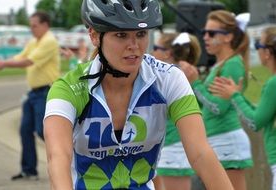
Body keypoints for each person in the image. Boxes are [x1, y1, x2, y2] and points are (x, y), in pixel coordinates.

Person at [43, 1, 234, 189]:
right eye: (121, 35)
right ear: (94, 35)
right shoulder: (68, 89)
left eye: (141, 34)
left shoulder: (169, 79)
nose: (134, 45)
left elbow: (200, 153)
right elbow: (58, 157)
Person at [179, 10, 253, 190]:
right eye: (204, 32)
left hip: (227, 143)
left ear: (228, 37)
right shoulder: (221, 64)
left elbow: (218, 107)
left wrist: (195, 82)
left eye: (212, 33)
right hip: (217, 142)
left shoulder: (233, 64)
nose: (205, 37)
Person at [0, 11, 60, 180]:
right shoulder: (34, 42)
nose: (31, 29)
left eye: (34, 26)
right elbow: (21, 57)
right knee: (25, 130)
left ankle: (68, 164)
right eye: (30, 26)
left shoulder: (49, 41)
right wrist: (3, 62)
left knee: (43, 131)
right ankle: (29, 170)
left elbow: (29, 61)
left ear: (45, 25)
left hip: (46, 91)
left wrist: (4, 63)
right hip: (33, 93)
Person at [209, 25, 276, 190]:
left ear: (267, 53)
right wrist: (237, 95)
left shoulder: (273, 83)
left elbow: (255, 123)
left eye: (258, 46)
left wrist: (234, 96)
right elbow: (262, 113)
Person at [151, 32, 201, 190]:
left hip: (173, 148)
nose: (152, 53)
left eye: (155, 48)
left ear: (167, 53)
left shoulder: (177, 77)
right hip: (161, 148)